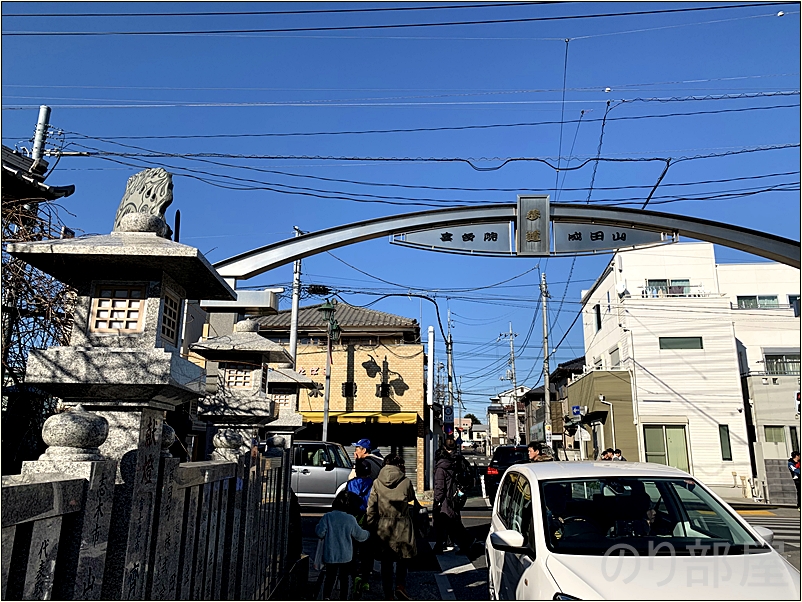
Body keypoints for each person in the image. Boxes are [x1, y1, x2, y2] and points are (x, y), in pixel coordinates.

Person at [366, 453, 417, 601]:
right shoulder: (406, 481)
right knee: (403, 559)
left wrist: (370, 525)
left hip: (383, 525)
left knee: (386, 562)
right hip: (402, 524)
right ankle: (400, 586)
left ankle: (388, 593)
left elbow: (371, 508)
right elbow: (411, 498)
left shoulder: (377, 482)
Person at [315, 490, 370, 600]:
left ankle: (326, 596)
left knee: (330, 577)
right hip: (346, 556)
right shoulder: (350, 519)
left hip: (330, 554)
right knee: (344, 578)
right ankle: (343, 598)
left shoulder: (328, 517)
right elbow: (360, 536)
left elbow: (320, 532)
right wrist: (368, 533)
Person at [433, 437, 477, 557]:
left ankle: (465, 542)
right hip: (455, 496)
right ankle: (443, 544)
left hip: (445, 499)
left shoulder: (441, 466)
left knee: (446, 522)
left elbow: (439, 486)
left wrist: (437, 500)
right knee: (452, 521)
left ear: (444, 448)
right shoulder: (457, 460)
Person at [346, 459, 374, 595]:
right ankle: (366, 580)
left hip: (353, 519)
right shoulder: (373, 484)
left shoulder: (351, 484)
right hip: (368, 519)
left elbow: (347, 501)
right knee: (367, 551)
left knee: (352, 549)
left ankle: (354, 574)